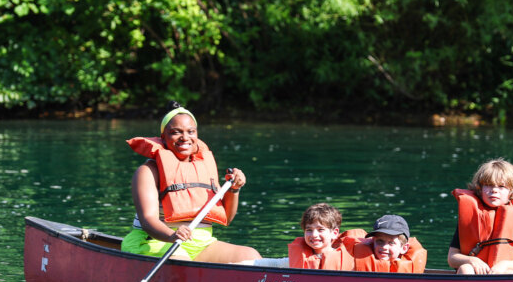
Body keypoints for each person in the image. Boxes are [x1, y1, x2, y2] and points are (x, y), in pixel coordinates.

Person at [120, 103, 260, 264]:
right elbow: (148, 220)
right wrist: (172, 235)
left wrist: (234, 189)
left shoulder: (204, 168)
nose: (185, 137)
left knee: (251, 256)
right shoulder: (148, 171)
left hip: (200, 243)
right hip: (155, 242)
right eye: (176, 132)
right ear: (163, 137)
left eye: (190, 132)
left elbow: (227, 218)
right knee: (183, 264)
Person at [447, 158, 513, 275]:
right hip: (474, 273)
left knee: (510, 273)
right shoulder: (470, 217)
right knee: (465, 268)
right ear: (480, 189)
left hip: (501, 274)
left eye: (501, 186)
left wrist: (505, 265)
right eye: (489, 185)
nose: (494, 190)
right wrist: (472, 260)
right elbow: (452, 258)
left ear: (511, 191)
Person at [342, 214, 428, 273]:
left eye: (391, 243)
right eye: (380, 241)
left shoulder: (409, 269)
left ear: (403, 248)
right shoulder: (356, 263)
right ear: (373, 242)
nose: (384, 247)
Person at [287, 202, 355, 270]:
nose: (314, 235)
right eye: (309, 230)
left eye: (320, 229)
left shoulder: (350, 261)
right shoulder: (291, 261)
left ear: (334, 233)